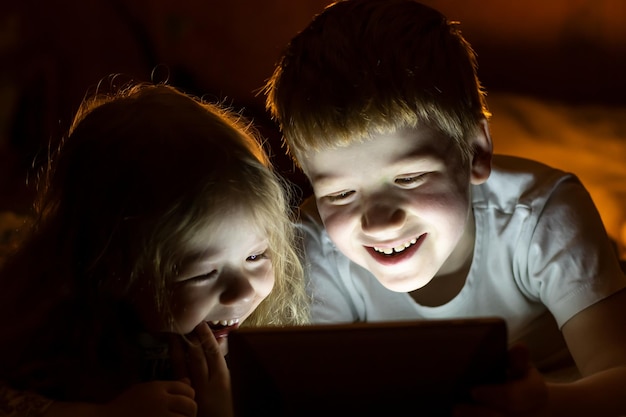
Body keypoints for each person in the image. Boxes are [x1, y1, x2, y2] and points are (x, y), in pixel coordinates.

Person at [263, 0, 626, 415]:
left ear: (475, 151)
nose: (379, 223)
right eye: (340, 195)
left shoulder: (540, 214)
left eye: (409, 178)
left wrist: (545, 406)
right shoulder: (314, 244)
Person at [0, 82, 309, 417]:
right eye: (205, 273)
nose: (242, 291)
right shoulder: (50, 341)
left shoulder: (272, 349)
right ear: (114, 270)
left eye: (255, 256)